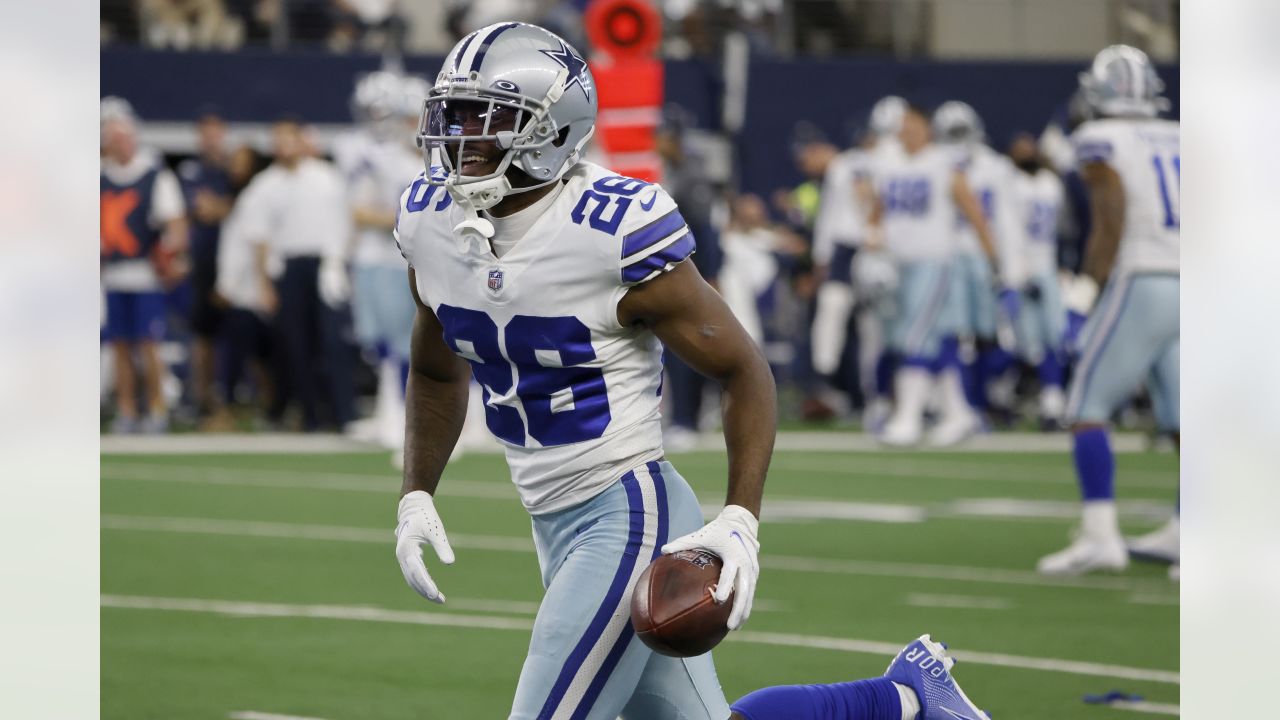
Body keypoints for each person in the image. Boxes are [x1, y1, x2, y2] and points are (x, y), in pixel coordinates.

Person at [392, 23, 990, 720]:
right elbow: (436, 370)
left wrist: (740, 518)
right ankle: (905, 698)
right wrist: (416, 493)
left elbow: (744, 370)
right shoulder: (429, 220)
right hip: (551, 517)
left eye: (481, 117)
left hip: (629, 510)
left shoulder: (610, 231)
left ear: (550, 130)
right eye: (451, 114)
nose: (456, 136)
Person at [1037, 45, 1180, 579]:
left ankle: (1100, 537)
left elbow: (1110, 220)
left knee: (1085, 404)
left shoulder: (1102, 139)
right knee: (1189, 417)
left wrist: (1082, 298)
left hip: (1144, 277)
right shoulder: (1184, 134)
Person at [866, 103, 998, 447]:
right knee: (929, 341)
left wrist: (993, 260)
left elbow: (974, 211)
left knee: (916, 337)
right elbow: (878, 212)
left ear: (928, 130)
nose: (907, 133)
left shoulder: (943, 163)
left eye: (913, 127)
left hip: (934, 263)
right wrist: (872, 245)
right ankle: (959, 414)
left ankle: (907, 418)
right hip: (897, 266)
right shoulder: (888, 163)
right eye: (903, 128)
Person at [240, 117, 356, 431]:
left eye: (288, 138)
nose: (284, 146)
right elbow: (259, 238)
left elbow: (346, 222)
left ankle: (344, 414)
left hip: (325, 263)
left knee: (333, 341)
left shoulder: (325, 176)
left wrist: (341, 263)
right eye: (278, 140)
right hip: (289, 267)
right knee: (297, 345)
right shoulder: (265, 185)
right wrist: (264, 283)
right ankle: (310, 417)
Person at [335, 71, 429, 452]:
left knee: (418, 344)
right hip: (385, 258)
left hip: (415, 261)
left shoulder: (436, 162)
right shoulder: (382, 159)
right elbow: (359, 212)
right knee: (386, 347)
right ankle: (393, 415)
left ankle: (410, 417)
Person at [810, 96, 903, 430]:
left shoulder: (897, 161)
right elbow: (829, 213)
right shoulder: (845, 163)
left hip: (878, 248)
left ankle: (874, 396)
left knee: (873, 328)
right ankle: (825, 380)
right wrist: (822, 256)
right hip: (847, 247)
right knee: (833, 307)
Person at [931, 101, 1023, 427]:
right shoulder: (934, 164)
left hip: (982, 259)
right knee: (951, 337)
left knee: (988, 338)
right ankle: (960, 407)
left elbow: (1008, 223)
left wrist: (1010, 273)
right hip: (945, 259)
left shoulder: (995, 167)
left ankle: (980, 403)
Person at [100, 96, 189, 434]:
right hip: (113, 273)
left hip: (145, 274)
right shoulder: (100, 177)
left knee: (148, 345)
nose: (120, 144)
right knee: (119, 345)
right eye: (113, 138)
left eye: (124, 137)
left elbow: (176, 226)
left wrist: (170, 254)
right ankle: (125, 409)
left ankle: (156, 407)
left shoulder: (153, 177)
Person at [177, 109, 234, 427]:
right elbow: (202, 210)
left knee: (237, 329)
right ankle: (202, 400)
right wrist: (225, 206)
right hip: (204, 259)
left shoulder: (232, 168)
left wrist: (222, 206)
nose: (211, 139)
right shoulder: (191, 169)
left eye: (216, 132)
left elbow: (230, 206)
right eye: (205, 133)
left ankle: (233, 399)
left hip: (233, 258)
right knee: (202, 333)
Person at [1007, 133, 1068, 429]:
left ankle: (1052, 402)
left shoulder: (1050, 183)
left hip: (1047, 268)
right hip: (1020, 272)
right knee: (1023, 346)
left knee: (1055, 341)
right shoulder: (1014, 184)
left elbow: (1064, 227)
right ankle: (1012, 396)